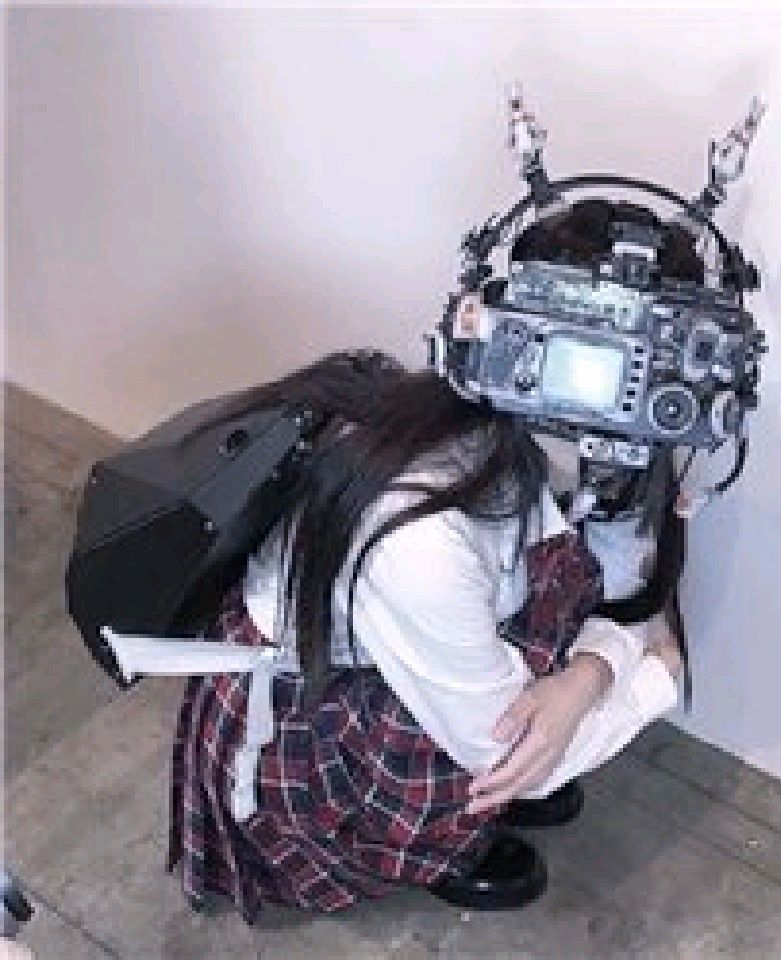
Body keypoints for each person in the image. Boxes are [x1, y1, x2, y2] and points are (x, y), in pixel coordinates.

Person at [168, 199, 695, 921]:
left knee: (559, 610)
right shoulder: (419, 531)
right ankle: (426, 843)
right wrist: (647, 676)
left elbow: (606, 565)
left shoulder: (493, 429)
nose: (623, 385)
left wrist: (583, 681)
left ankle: (488, 775)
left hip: (401, 634)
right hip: (315, 713)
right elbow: (504, 752)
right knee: (507, 748)